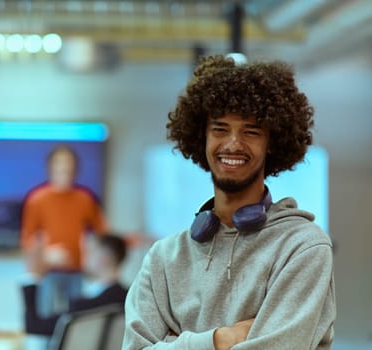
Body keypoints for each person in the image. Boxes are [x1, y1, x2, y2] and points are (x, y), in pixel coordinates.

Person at [123, 55, 336, 349]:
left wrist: (175, 343)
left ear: (272, 142)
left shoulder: (302, 247)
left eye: (251, 131)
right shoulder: (164, 258)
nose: (233, 144)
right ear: (202, 137)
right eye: (220, 129)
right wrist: (221, 340)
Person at [19, 145, 109, 316]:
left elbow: (102, 234)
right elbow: (27, 239)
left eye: (69, 164)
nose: (65, 169)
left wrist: (92, 257)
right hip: (48, 272)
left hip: (77, 272)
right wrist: (45, 254)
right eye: (60, 164)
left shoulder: (85, 199)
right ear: (50, 167)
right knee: (47, 320)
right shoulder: (37, 199)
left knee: (76, 319)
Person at [21, 233, 128, 336]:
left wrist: (32, 275)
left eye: (87, 252)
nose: (82, 259)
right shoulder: (129, 298)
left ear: (103, 258)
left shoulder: (87, 306)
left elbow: (35, 326)